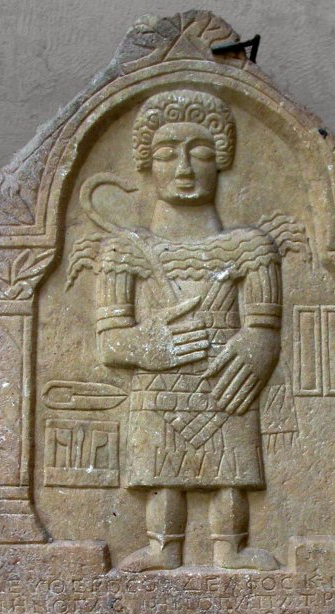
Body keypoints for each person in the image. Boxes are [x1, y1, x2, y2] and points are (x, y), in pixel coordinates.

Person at [94, 90, 282, 571]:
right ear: (146, 164)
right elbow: (109, 342)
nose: (183, 167)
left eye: (198, 152)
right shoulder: (125, 250)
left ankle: (231, 548)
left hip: (226, 378)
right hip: (159, 383)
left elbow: (264, 324)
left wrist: (259, 344)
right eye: (165, 154)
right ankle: (163, 548)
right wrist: (147, 345)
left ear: (220, 160)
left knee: (230, 471)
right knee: (163, 470)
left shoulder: (250, 247)